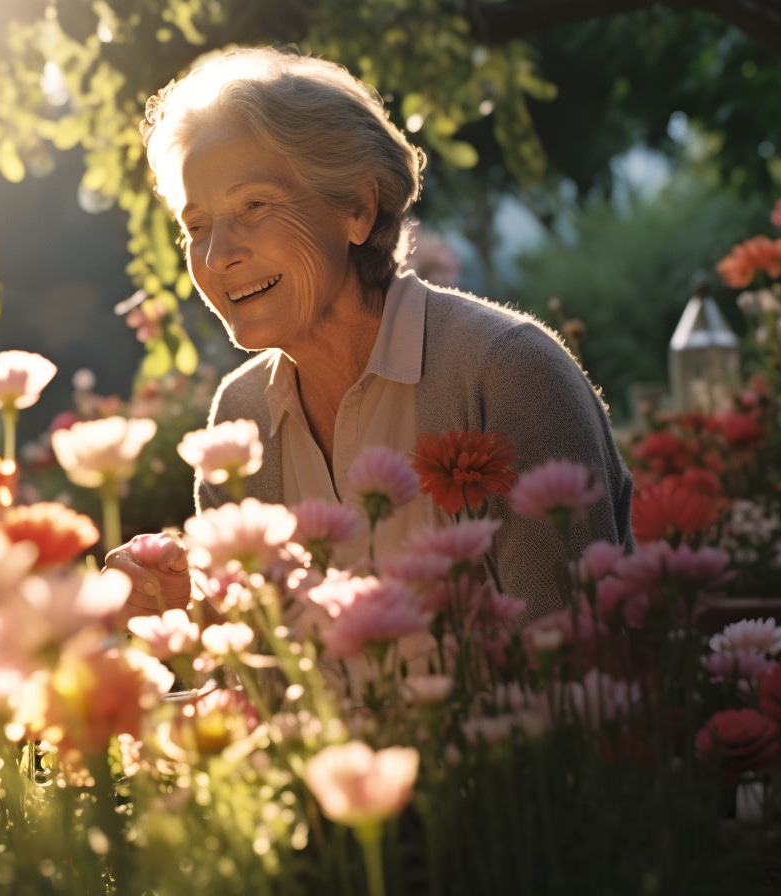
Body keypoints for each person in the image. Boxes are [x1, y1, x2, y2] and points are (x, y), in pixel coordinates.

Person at [106, 46, 633, 625]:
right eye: (196, 226)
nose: (217, 254)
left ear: (357, 208)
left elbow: (577, 671)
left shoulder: (506, 373)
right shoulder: (241, 415)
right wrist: (187, 605)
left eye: (253, 205)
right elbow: (269, 677)